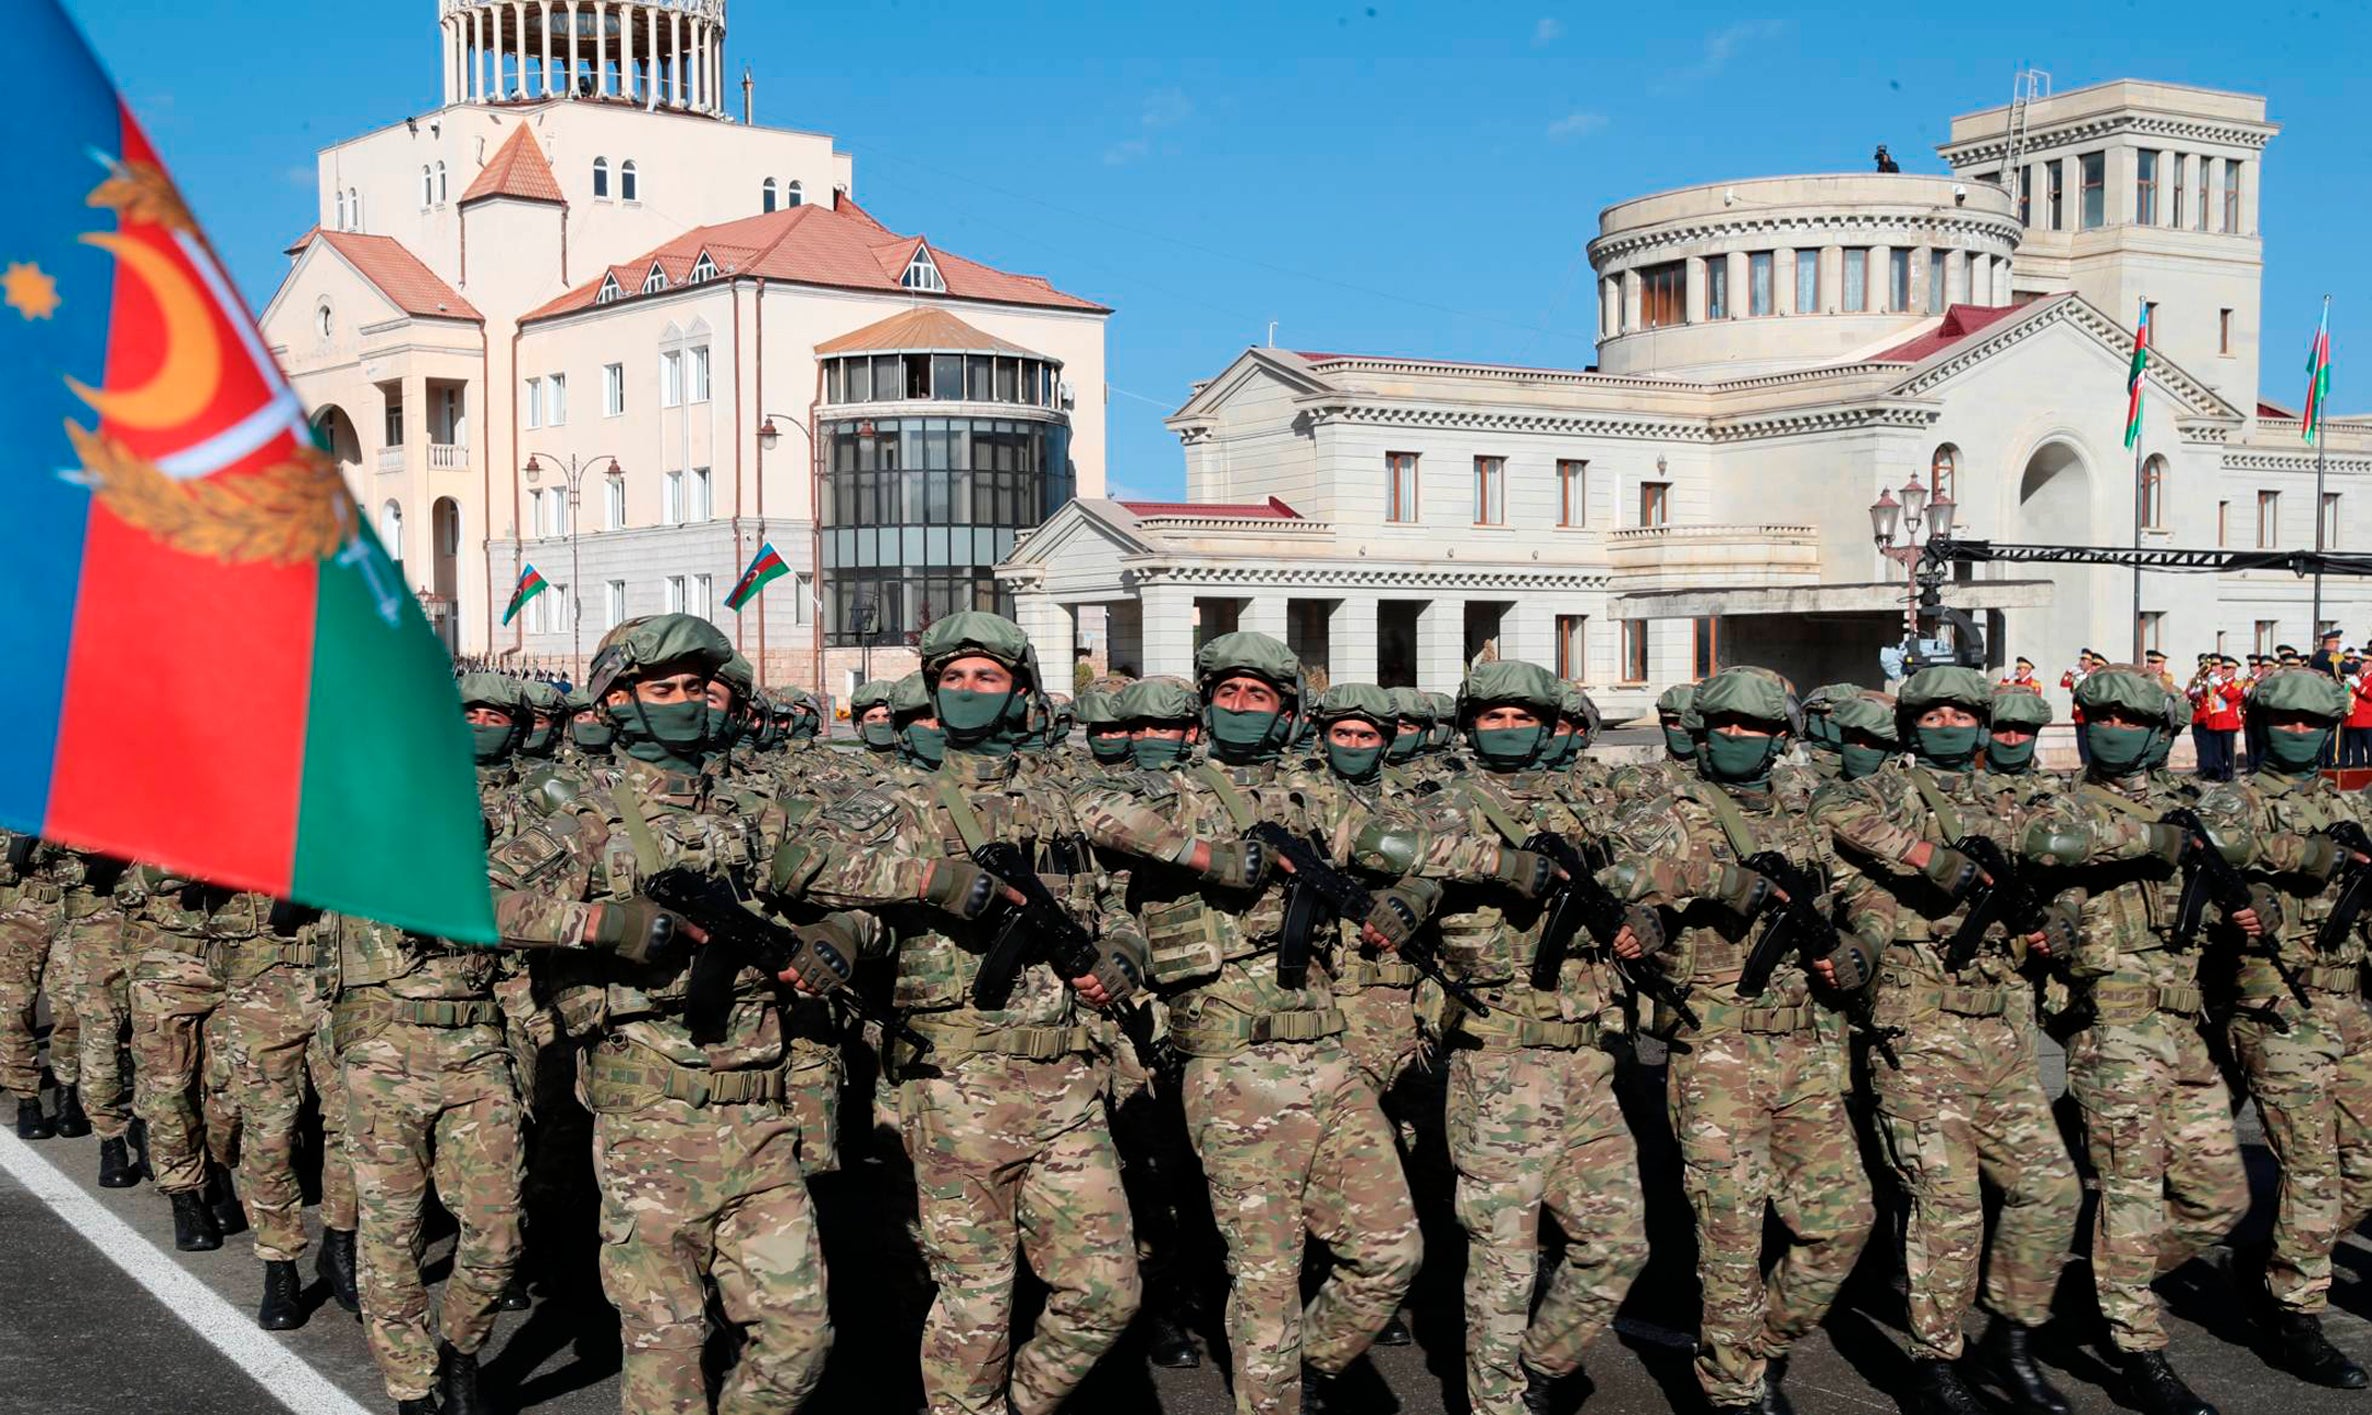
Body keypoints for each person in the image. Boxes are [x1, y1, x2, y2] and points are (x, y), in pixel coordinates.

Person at [1071, 632, 1457, 1414]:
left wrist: (1414, 894)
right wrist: (1212, 855)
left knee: (1389, 1253)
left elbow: (1412, 842)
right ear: (1206, 705)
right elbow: (1092, 807)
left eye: (1261, 696)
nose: (1242, 707)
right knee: (1268, 1277)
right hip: (1230, 1064)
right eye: (1229, 694)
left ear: (1287, 712)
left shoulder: (1313, 798)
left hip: (1328, 1055)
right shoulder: (1168, 789)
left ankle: (1305, 1367)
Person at [772, 611, 1145, 1415]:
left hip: (1070, 1086)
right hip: (959, 1087)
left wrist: (1123, 956)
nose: (968, 690)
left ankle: (1019, 1403)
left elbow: (1115, 906)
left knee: (1107, 1291)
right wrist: (932, 879)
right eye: (952, 677)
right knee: (976, 1301)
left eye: (988, 676)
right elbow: (800, 866)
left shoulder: (1065, 794)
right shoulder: (902, 794)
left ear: (1020, 693)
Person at [515, 615, 859, 1415]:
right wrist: (604, 924)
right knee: (667, 1358)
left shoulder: (750, 812)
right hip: (651, 1122)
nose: (684, 704)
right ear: (620, 703)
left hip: (761, 1116)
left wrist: (837, 934)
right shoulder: (585, 818)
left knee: (800, 1339)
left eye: (696, 688)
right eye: (661, 689)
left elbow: (849, 879)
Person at [1601, 666, 1874, 1415]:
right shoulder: (1671, 803)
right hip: (1715, 1047)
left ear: (1780, 738)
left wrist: (1860, 950)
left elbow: (1863, 901)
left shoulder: (1810, 808)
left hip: (1804, 1050)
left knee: (1844, 1221)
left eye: (1750, 727)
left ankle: (1759, 1344)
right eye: (1721, 725)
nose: (1733, 738)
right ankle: (1732, 1389)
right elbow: (1623, 869)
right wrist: (1712, 880)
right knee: (1731, 1235)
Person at [1812, 667, 2080, 1415]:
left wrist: (2058, 924)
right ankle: (1934, 1362)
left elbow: (2069, 861)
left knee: (2051, 1189)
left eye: (1964, 713)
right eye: (1934, 714)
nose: (1950, 725)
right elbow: (1836, 813)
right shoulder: (1880, 789)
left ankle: (2012, 1337)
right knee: (1949, 1201)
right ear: (1911, 724)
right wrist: (1939, 860)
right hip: (1920, 1028)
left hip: (2002, 1030)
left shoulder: (2025, 796)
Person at [1417, 660, 1650, 1415]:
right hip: (1502, 1061)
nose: (1509, 728)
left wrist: (1644, 916)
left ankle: (1542, 1368)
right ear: (1470, 725)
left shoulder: (1583, 796)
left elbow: (1642, 865)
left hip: (1586, 1056)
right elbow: (1388, 847)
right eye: (1494, 716)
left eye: (1524, 716)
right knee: (1504, 1260)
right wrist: (1503, 864)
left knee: (1618, 1243)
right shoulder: (1447, 798)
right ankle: (1496, 1404)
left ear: (1551, 725)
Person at [2029, 664, 2254, 1415]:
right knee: (2129, 1192)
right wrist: (2157, 840)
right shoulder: (2057, 800)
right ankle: (2137, 1349)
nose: (2113, 727)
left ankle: (2096, 1285)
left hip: (2185, 1030)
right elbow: (2054, 844)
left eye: (2131, 718)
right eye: (2101, 715)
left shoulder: (2195, 807)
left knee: (2217, 1199)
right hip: (2114, 1027)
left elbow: (2241, 857)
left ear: (2163, 733)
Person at [2201, 667, 2372, 1390]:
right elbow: (2218, 847)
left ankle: (2274, 1260)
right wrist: (2314, 857)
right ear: (2261, 726)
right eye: (2284, 721)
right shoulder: (2230, 800)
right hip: (2276, 1008)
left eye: (2311, 723)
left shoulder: (2350, 801)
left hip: (2350, 1007)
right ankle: (2296, 1313)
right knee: (2312, 1165)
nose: (2298, 733)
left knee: (2363, 1165)